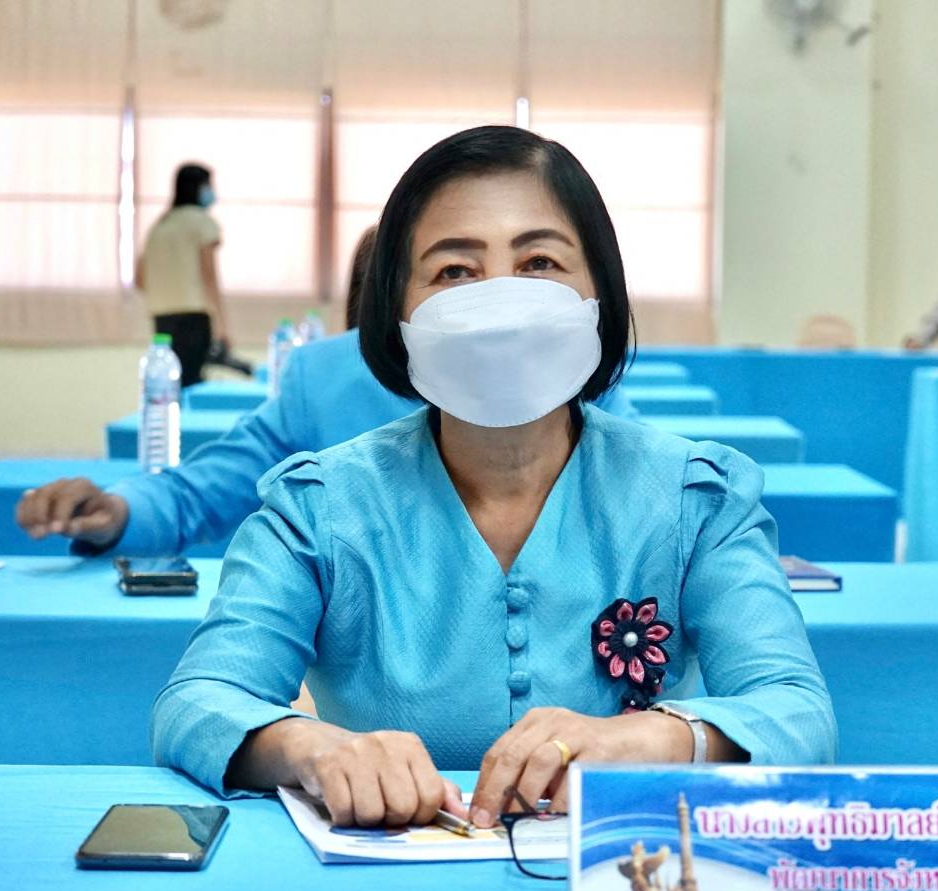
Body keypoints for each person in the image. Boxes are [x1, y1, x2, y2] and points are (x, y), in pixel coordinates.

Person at [151, 126, 835, 830]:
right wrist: (310, 747)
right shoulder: (318, 506)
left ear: (598, 291)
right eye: (454, 272)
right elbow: (197, 700)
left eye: (538, 261)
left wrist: (659, 737)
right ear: (397, 312)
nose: (501, 301)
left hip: (619, 885)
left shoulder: (698, 497)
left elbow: (795, 708)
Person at [15, 234, 641, 556]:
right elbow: (200, 493)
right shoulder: (323, 377)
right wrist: (120, 512)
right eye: (453, 272)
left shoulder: (568, 369)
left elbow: (641, 495)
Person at [137, 163, 228, 388]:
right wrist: (222, 324)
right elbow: (209, 276)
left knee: (170, 386)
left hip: (162, 317)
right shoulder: (201, 222)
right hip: (194, 318)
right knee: (192, 385)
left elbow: (140, 279)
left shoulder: (160, 226)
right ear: (199, 187)